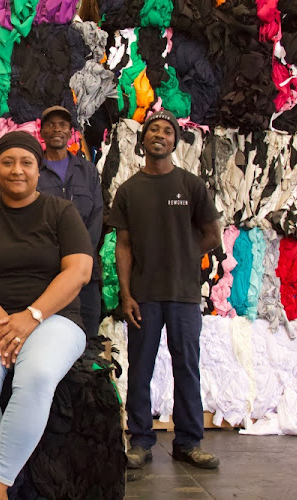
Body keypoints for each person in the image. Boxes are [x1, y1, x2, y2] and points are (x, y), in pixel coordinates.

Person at [0, 131, 94, 500]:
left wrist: (31, 315)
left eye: (26, 162)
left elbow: (79, 271)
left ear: (39, 169)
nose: (18, 170)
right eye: (8, 162)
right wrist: (5, 322)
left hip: (55, 318)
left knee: (38, 374)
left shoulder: (61, 211)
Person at [108, 110, 222, 470]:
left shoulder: (191, 185)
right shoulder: (128, 190)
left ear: (175, 141)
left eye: (167, 131)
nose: (160, 134)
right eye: (153, 129)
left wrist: (186, 256)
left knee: (187, 366)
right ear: (143, 141)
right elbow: (122, 246)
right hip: (143, 295)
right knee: (139, 368)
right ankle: (140, 441)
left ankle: (188, 442)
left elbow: (212, 234)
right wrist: (126, 294)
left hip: (184, 294)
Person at [38, 105, 104, 338]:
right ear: (42, 132)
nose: (57, 129)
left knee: (87, 336)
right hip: (46, 274)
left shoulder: (88, 171)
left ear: (70, 132)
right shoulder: (33, 170)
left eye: (62, 125)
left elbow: (97, 217)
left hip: (85, 274)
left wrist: (78, 257)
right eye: (51, 125)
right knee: (48, 337)